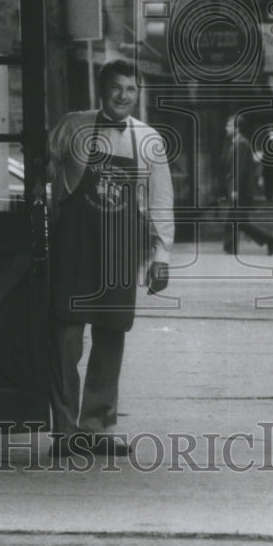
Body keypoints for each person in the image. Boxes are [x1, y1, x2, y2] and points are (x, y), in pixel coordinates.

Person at [47, 59, 174, 457]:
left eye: (131, 89)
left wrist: (161, 255)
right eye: (117, 88)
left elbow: (160, 200)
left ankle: (96, 428)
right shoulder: (73, 125)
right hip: (74, 243)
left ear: (139, 93)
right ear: (102, 91)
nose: (123, 96)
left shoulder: (149, 139)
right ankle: (65, 431)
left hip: (120, 246)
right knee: (65, 336)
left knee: (111, 333)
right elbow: (45, 169)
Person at [221, 114, 273, 256]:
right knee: (239, 221)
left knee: (235, 221)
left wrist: (235, 189)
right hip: (239, 188)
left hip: (240, 189)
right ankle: (269, 240)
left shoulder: (241, 144)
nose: (225, 128)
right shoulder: (237, 143)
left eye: (229, 125)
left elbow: (239, 168)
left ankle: (268, 240)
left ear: (237, 128)